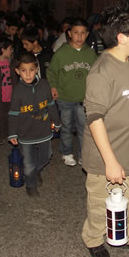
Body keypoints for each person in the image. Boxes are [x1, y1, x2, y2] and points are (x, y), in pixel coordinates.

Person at [81, 2, 129, 257]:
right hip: (105, 155)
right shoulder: (101, 72)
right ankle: (93, 238)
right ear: (122, 38)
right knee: (100, 201)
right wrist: (110, 161)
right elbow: (94, 118)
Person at [8, 52, 61, 197]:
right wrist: (12, 133)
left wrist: (57, 122)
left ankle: (34, 171)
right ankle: (30, 184)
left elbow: (51, 106)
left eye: (31, 70)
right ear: (17, 71)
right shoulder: (17, 91)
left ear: (37, 68)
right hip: (25, 133)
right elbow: (13, 114)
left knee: (46, 156)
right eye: (23, 71)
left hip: (44, 131)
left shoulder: (44, 85)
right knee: (29, 163)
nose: (28, 74)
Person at [47, 18, 97, 167]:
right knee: (66, 127)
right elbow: (51, 72)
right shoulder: (62, 52)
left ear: (87, 34)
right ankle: (66, 152)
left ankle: (83, 154)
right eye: (76, 33)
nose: (79, 37)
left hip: (83, 99)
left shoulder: (90, 53)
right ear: (69, 33)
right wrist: (53, 87)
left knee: (84, 128)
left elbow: (96, 73)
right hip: (65, 98)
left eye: (83, 33)